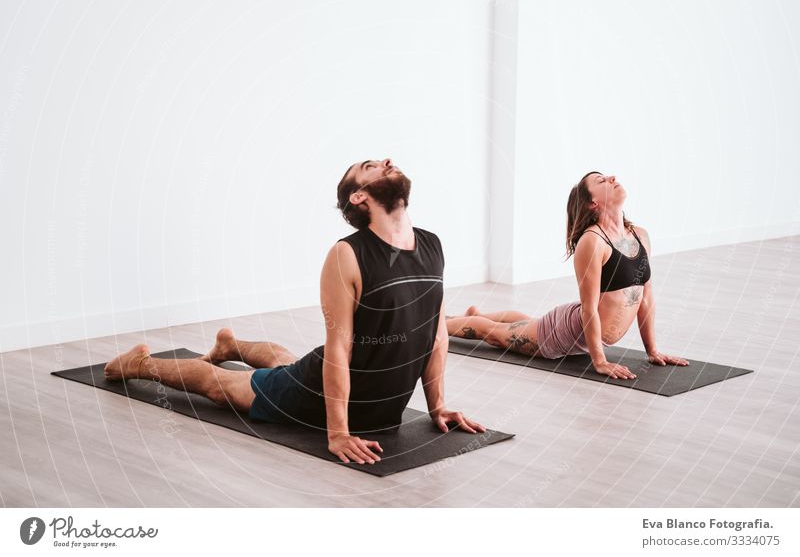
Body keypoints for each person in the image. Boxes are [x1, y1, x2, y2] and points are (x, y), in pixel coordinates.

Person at [105, 158, 484, 465]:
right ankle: (137, 364)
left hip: (377, 407)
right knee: (222, 387)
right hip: (320, 395)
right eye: (370, 166)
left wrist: (438, 407)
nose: (386, 161)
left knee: (290, 366)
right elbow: (339, 349)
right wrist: (337, 432)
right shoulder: (347, 254)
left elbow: (435, 335)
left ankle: (231, 345)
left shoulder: (432, 244)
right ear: (359, 197)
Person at [446, 171, 688, 380]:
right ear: (592, 202)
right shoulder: (592, 241)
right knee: (496, 335)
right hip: (561, 336)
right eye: (602, 181)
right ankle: (440, 325)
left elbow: (646, 297)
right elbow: (589, 308)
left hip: (576, 327)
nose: (612, 178)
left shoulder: (640, 234)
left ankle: (474, 314)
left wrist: (652, 350)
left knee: (530, 323)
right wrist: (600, 361)